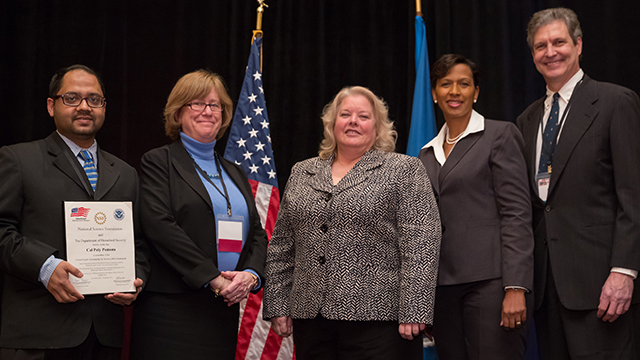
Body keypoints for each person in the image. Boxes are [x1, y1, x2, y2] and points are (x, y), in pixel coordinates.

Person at [263, 86, 441, 360]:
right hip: (311, 321)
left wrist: (414, 308)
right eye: (345, 114)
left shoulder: (404, 170)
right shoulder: (302, 171)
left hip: (381, 322)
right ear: (332, 124)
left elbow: (421, 244)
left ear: (378, 126)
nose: (353, 121)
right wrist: (278, 304)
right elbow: (281, 247)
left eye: (363, 116)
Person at [0, 64, 149, 359]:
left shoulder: (125, 172)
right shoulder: (19, 158)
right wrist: (44, 267)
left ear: (104, 108)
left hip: (104, 334)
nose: (84, 107)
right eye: (72, 98)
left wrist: (135, 278)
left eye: (94, 99)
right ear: (51, 106)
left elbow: (140, 242)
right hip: (38, 334)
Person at [517, 7, 640, 359]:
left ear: (579, 44)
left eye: (559, 42)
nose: (550, 52)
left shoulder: (615, 103)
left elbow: (633, 196)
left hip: (601, 287)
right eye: (541, 46)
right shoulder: (526, 120)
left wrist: (623, 272)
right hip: (546, 290)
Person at [130, 69, 268, 360]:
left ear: (224, 114)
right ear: (178, 112)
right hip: (171, 310)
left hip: (222, 309)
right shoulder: (159, 162)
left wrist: (251, 275)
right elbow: (160, 226)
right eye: (197, 103)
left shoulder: (235, 172)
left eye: (214, 105)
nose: (207, 111)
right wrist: (213, 279)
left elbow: (256, 232)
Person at [418, 54, 534, 359]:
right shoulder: (425, 154)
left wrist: (516, 286)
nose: (454, 91)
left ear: (476, 92)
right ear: (434, 93)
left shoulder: (499, 135)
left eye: (464, 84)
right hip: (443, 290)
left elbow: (517, 214)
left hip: (492, 285)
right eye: (446, 84)